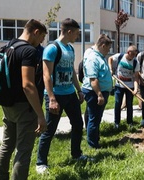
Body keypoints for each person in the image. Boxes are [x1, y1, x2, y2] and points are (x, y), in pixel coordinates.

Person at [0, 19, 47, 180]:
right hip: (25, 107)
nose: (41, 42)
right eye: (42, 38)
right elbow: (28, 85)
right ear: (36, 32)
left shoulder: (8, 46)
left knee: (7, 144)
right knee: (23, 150)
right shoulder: (28, 51)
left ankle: (0, 177)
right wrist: (40, 114)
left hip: (7, 104)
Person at [36, 18, 86, 174]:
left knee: (78, 124)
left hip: (70, 94)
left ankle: (76, 154)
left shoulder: (70, 49)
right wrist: (51, 98)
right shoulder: (52, 48)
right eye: (77, 33)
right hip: (55, 96)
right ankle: (41, 163)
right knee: (49, 130)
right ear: (69, 31)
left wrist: (79, 90)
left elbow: (71, 72)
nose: (77, 37)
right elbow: (46, 76)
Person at [82, 34, 113, 149]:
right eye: (108, 48)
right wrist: (99, 95)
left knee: (93, 116)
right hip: (94, 92)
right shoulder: (93, 58)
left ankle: (93, 138)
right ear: (103, 46)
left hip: (99, 91)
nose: (109, 51)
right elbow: (93, 79)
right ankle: (93, 144)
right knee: (94, 118)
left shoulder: (98, 54)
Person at [110, 45, 140, 129]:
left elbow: (136, 77)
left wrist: (136, 89)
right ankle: (116, 123)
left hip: (130, 86)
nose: (134, 56)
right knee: (117, 103)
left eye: (135, 55)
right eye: (132, 54)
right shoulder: (119, 56)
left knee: (129, 105)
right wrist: (111, 69)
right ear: (128, 52)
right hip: (119, 85)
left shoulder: (135, 62)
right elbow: (110, 59)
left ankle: (130, 122)